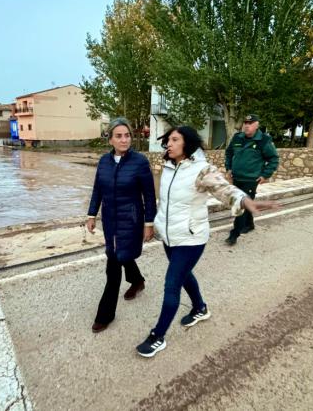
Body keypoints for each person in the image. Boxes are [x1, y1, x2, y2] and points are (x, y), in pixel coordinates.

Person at [136, 126, 276, 358]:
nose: (168, 144)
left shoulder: (202, 170)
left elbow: (224, 189)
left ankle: (157, 336)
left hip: (191, 238)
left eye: (174, 140)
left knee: (172, 283)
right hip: (171, 237)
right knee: (184, 275)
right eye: (167, 140)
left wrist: (244, 201)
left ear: (187, 143)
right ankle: (200, 308)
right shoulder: (169, 166)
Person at [86, 118, 157, 333]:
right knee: (119, 254)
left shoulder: (140, 162)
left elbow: (149, 196)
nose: (124, 139)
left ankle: (105, 314)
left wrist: (149, 223)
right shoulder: (104, 162)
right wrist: (91, 214)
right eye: (119, 136)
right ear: (110, 139)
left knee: (113, 264)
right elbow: (98, 189)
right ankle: (137, 281)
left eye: (127, 135)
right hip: (110, 220)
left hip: (131, 220)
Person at [223, 114, 279, 245]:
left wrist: (265, 174)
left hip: (251, 179)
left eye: (250, 123)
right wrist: (228, 168)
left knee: (240, 204)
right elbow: (229, 153)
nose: (247, 126)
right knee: (245, 202)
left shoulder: (264, 140)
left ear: (257, 125)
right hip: (236, 177)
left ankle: (234, 234)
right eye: (245, 123)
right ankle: (250, 224)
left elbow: (273, 159)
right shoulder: (237, 137)